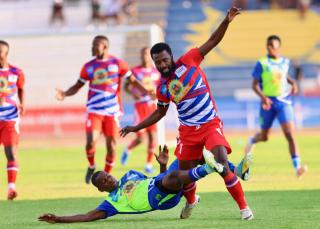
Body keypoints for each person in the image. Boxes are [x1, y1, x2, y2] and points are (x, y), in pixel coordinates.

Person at [120, 7, 254, 220]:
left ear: (171, 56)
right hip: (188, 132)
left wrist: (226, 21)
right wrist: (135, 127)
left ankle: (244, 209)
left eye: (164, 60)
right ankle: (192, 201)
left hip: (210, 123)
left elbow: (212, 41)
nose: (162, 65)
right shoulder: (162, 87)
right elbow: (160, 113)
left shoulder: (190, 60)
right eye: (158, 62)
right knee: (185, 175)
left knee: (220, 162)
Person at [38, 145, 246, 223]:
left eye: (107, 176)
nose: (109, 179)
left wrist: (163, 166)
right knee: (173, 178)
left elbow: (157, 179)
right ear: (101, 188)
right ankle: (209, 169)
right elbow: (87, 216)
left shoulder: (130, 175)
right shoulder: (112, 202)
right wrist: (58, 219)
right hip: (161, 200)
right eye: (104, 181)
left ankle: (236, 171)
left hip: (162, 184)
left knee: (190, 155)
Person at [56, 35, 153, 184]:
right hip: (94, 110)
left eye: (95, 45)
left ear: (105, 47)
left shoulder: (118, 64)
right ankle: (92, 165)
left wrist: (146, 92)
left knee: (112, 146)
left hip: (112, 111)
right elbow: (77, 86)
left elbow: (132, 81)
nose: (92, 48)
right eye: (92, 45)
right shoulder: (88, 66)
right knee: (90, 142)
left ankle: (106, 176)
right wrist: (65, 94)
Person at [244, 35, 307, 177]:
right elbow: (254, 85)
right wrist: (263, 98)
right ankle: (253, 140)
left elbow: (284, 76)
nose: (270, 48)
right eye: (268, 45)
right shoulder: (262, 63)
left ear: (279, 46)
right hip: (268, 103)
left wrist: (293, 83)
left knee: (290, 134)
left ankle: (297, 168)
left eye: (273, 45)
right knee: (265, 137)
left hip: (284, 102)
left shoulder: (285, 62)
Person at [121, 47, 160, 173]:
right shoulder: (135, 71)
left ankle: (148, 165)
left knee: (153, 137)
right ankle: (128, 148)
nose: (145, 56)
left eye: (147, 54)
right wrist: (133, 93)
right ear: (140, 56)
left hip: (152, 107)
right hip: (140, 107)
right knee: (141, 138)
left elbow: (159, 87)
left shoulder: (156, 72)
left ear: (151, 56)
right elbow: (126, 86)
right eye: (143, 54)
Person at [0, 40, 26, 200]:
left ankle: (11, 188)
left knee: (10, 153)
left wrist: (23, 103)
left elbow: (21, 89)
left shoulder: (17, 72)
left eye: (0, 51)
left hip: (10, 117)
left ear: (6, 53)